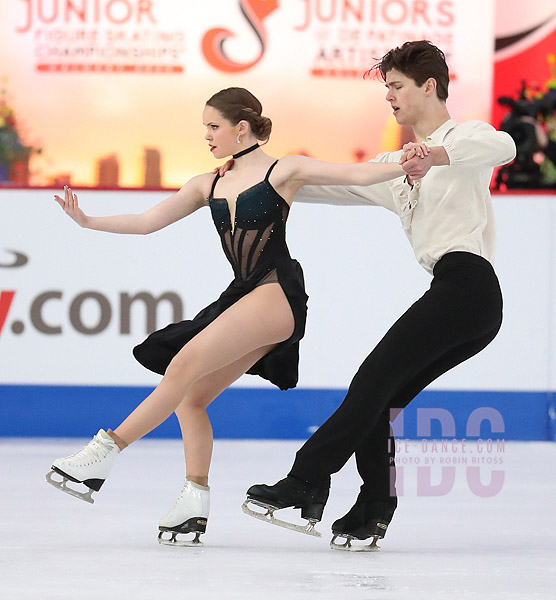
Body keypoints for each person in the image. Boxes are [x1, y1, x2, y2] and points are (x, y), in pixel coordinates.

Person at [45, 86, 413, 546]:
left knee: (182, 365)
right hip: (242, 296)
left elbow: (357, 174)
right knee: (191, 397)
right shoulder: (208, 183)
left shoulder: (285, 169)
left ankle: (104, 454)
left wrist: (412, 160)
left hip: (276, 292)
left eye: (213, 127)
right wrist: (89, 221)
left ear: (242, 128)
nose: (207, 136)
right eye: (204, 128)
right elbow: (147, 221)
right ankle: (193, 501)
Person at [243, 41, 517, 551]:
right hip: (457, 293)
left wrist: (437, 155)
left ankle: (306, 478)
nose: (388, 96)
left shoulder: (465, 137)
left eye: (396, 86)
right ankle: (375, 508)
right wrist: (271, 175)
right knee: (381, 398)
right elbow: (339, 184)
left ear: (428, 86)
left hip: (470, 287)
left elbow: (504, 147)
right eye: (385, 87)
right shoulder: (395, 165)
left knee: (370, 382)